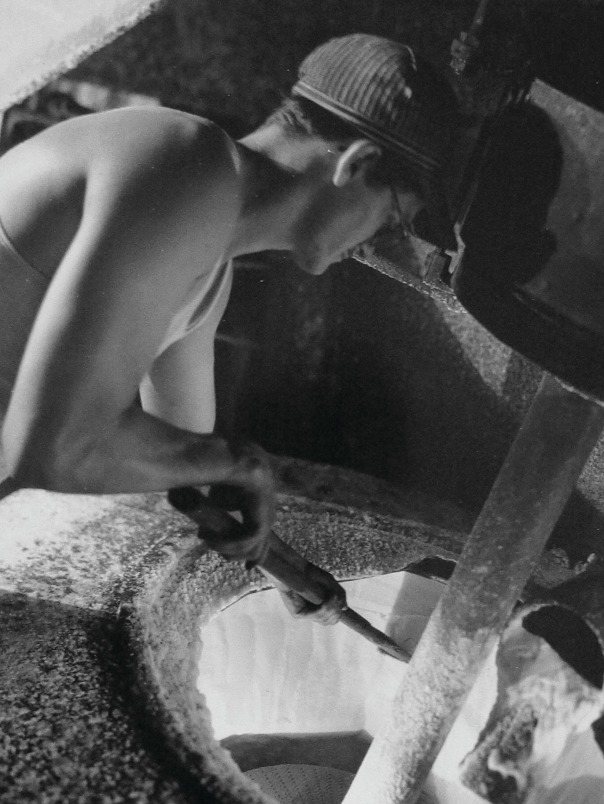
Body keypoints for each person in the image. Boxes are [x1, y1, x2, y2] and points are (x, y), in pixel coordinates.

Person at [0, 34, 459, 620]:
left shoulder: (207, 279)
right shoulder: (182, 158)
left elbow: (178, 472)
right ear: (358, 163)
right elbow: (55, 451)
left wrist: (281, 565)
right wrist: (244, 464)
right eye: (393, 217)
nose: (378, 243)